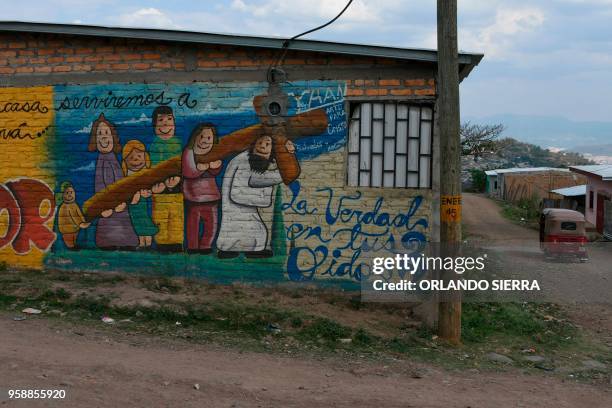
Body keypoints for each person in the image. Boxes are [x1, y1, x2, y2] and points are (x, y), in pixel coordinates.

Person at [216, 135, 295, 258]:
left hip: (245, 209)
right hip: (234, 208)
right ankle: (227, 250)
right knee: (238, 229)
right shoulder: (243, 161)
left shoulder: (252, 162)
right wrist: (264, 196)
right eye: (260, 142)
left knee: (258, 231)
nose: (262, 146)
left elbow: (258, 178)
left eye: (267, 144)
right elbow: (237, 193)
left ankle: (251, 251)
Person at [88, 113, 138, 250]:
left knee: (123, 231)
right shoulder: (102, 161)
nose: (104, 136)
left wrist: (125, 198)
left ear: (113, 137)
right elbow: (100, 186)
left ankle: (124, 245)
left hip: (120, 205)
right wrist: (106, 206)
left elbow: (120, 182)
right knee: (110, 234)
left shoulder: (113, 158)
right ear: (95, 140)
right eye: (100, 134)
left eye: (106, 133)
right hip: (110, 207)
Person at [182, 123, 223, 254]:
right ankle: (192, 246)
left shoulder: (213, 153)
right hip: (193, 197)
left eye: (209, 138)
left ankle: (206, 245)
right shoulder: (189, 152)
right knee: (193, 224)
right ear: (195, 137)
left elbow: (216, 172)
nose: (204, 140)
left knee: (211, 225)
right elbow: (188, 171)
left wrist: (215, 166)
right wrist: (199, 168)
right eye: (201, 136)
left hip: (211, 196)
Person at [149, 106, 183, 252]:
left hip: (177, 189)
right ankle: (162, 243)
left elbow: (182, 165)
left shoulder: (177, 143)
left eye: (169, 120)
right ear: (155, 126)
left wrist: (178, 178)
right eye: (161, 121)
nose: (166, 125)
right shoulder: (154, 145)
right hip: (160, 189)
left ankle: (176, 243)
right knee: (161, 218)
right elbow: (154, 168)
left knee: (176, 217)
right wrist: (161, 184)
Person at [121, 140, 159, 250]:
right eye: (131, 157)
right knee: (138, 225)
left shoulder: (145, 176)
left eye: (139, 156)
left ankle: (147, 243)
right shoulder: (127, 178)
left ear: (145, 158)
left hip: (142, 206)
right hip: (133, 207)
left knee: (145, 222)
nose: (136, 159)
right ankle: (143, 244)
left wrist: (146, 193)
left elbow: (150, 189)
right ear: (125, 161)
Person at [56, 182, 90, 250]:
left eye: (71, 192)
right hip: (67, 229)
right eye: (67, 193)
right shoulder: (66, 206)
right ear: (63, 195)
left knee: (74, 238)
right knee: (69, 241)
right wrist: (80, 224)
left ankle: (73, 246)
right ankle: (71, 247)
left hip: (74, 228)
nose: (70, 195)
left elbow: (79, 214)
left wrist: (83, 221)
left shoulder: (74, 204)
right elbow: (74, 216)